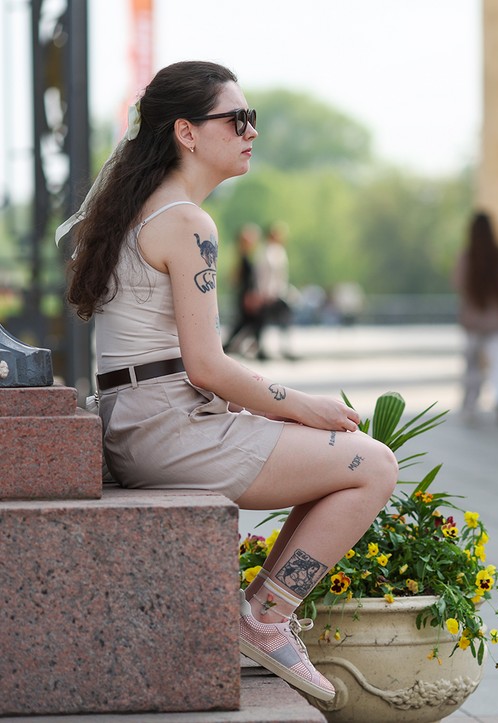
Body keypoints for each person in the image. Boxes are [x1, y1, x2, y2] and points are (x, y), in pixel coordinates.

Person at [60, 60, 398, 702]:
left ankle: (262, 613)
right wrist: (304, 406)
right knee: (372, 465)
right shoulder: (188, 222)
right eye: (236, 119)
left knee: (333, 463)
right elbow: (206, 366)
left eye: (253, 120)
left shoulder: (142, 210)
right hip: (168, 428)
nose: (251, 132)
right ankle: (265, 618)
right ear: (187, 132)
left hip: (141, 423)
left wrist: (287, 414)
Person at [453, 211, 498, 428]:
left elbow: (458, 283)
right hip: (497, 323)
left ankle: (470, 405)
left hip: (472, 323)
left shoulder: (466, 257)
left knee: (472, 368)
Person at [222, 222, 266, 358]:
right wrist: (249, 295)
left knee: (249, 323)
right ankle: (228, 347)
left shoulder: (245, 255)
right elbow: (238, 278)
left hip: (246, 294)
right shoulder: (243, 256)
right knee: (247, 323)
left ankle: (257, 348)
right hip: (246, 295)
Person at [258, 221, 297, 360]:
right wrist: (263, 292)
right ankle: (264, 348)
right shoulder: (266, 251)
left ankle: (282, 347)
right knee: (265, 322)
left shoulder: (278, 251)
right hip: (269, 294)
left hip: (278, 293)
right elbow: (263, 275)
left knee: (281, 320)